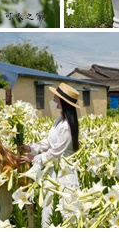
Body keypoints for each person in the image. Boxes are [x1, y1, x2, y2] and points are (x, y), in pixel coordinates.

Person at [18, 83, 81, 227]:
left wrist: (34, 158)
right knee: (50, 210)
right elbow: (49, 142)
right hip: (53, 172)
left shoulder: (67, 127)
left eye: (56, 96)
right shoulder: (60, 120)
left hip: (63, 174)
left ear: (62, 101)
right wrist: (31, 148)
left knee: (64, 212)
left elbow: (55, 152)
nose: (53, 97)